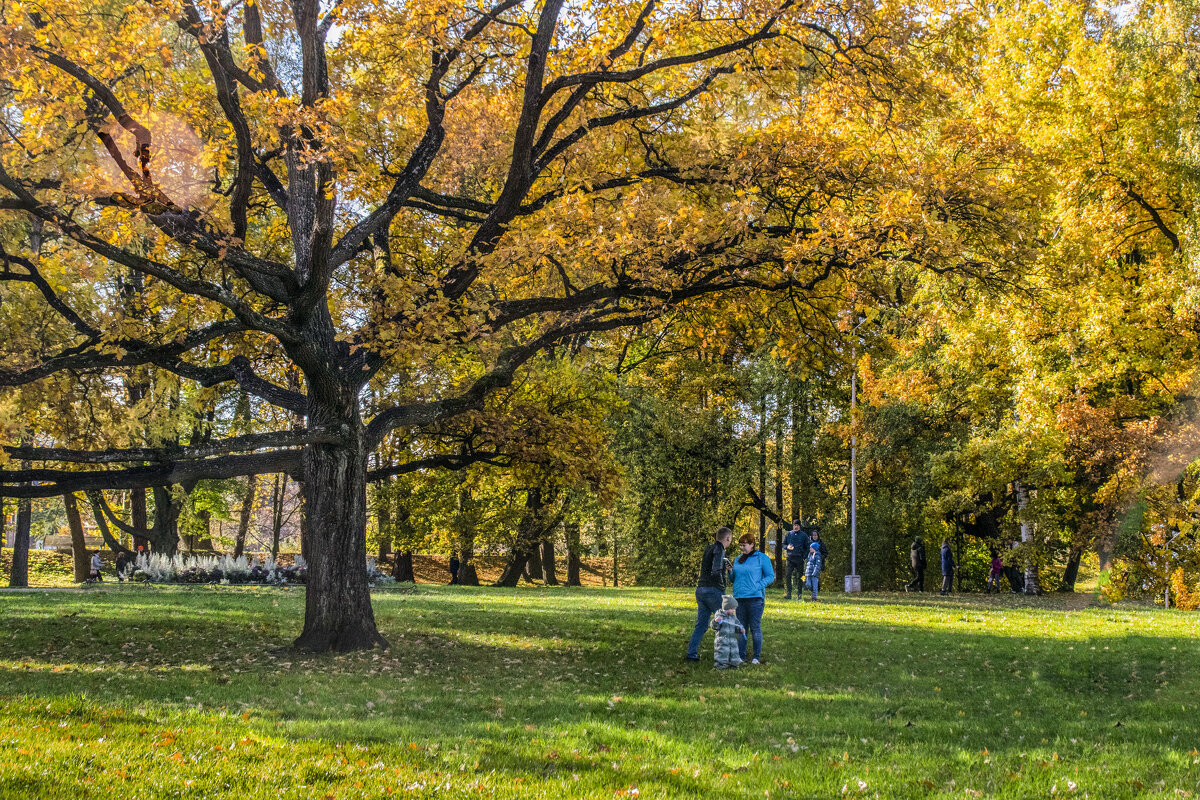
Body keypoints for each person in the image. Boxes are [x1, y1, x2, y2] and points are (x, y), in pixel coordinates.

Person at [686, 526, 733, 662]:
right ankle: (725, 656)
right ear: (728, 538)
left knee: (701, 624)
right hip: (713, 590)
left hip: (701, 590)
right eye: (730, 539)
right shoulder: (720, 550)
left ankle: (691, 653)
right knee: (725, 623)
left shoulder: (709, 549)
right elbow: (715, 571)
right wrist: (722, 587)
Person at [730, 532, 774, 664]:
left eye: (744, 545)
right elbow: (733, 579)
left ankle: (756, 657)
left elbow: (770, 576)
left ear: (752, 545)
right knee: (741, 628)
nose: (742, 548)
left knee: (755, 628)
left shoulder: (761, 558)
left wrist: (758, 586)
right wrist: (730, 572)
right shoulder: (738, 559)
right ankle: (741, 656)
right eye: (740, 546)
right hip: (740, 597)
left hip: (755, 598)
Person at [710, 595, 745, 669]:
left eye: (734, 609)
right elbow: (713, 626)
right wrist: (716, 621)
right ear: (726, 608)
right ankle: (721, 666)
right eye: (732, 609)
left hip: (732, 640)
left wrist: (741, 629)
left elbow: (737, 625)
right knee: (722, 653)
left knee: (734, 653)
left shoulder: (733, 617)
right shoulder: (719, 616)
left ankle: (734, 665)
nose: (734, 611)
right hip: (722, 640)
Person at [782, 520, 810, 600]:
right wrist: (787, 547)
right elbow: (783, 544)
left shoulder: (804, 535)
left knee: (800, 577)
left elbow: (807, 547)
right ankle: (789, 594)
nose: (796, 526)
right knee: (788, 576)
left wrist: (804, 557)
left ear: (800, 526)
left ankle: (799, 594)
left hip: (799, 559)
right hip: (790, 558)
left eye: (797, 525)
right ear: (793, 526)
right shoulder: (789, 534)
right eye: (794, 525)